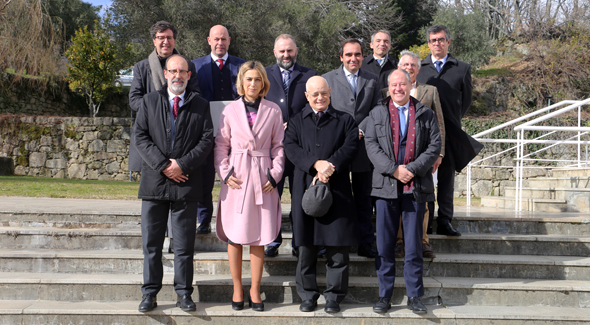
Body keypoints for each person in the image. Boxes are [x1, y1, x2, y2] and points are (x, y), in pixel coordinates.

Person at [135, 55, 213, 313]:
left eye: (183, 71)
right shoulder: (148, 101)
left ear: (189, 75)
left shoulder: (201, 105)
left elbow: (206, 140)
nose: (178, 75)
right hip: (154, 184)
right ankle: (149, 294)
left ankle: (183, 294)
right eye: (173, 71)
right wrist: (165, 166)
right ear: (165, 74)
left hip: (186, 183)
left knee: (184, 246)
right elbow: (141, 137)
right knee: (152, 245)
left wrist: (182, 165)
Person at [364, 69, 441, 315]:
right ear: (388, 87)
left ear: (411, 85)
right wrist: (394, 170)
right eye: (394, 84)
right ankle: (384, 296)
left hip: (415, 188)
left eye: (403, 84)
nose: (398, 88)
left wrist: (412, 169)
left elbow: (434, 145)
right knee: (385, 245)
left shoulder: (425, 113)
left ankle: (414, 296)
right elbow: (371, 146)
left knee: (413, 246)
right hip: (386, 187)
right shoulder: (376, 113)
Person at [284, 76, 359, 314]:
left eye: (323, 94)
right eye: (314, 94)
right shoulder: (296, 121)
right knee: (306, 247)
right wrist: (315, 164)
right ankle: (307, 295)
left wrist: (329, 166)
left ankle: (334, 297)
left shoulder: (345, 120)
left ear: (330, 94)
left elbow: (350, 147)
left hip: (337, 189)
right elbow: (290, 147)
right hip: (305, 186)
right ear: (307, 96)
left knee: (337, 248)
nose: (319, 98)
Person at [214, 61, 285, 312]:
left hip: (263, 179)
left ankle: (255, 288)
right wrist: (225, 172)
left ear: (263, 82)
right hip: (237, 177)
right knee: (235, 236)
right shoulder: (229, 110)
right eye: (248, 79)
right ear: (241, 82)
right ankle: (237, 288)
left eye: (257, 79)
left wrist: (274, 174)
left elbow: (278, 147)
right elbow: (221, 144)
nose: (252, 84)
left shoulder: (274, 110)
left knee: (259, 236)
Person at [323, 38, 381, 258]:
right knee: (335, 196)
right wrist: (345, 132)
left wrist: (361, 129)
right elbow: (324, 108)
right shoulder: (328, 78)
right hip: (337, 147)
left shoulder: (372, 80)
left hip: (364, 148)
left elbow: (376, 109)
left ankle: (365, 242)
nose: (353, 58)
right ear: (341, 57)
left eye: (357, 54)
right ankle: (331, 241)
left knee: (363, 198)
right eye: (348, 55)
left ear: (362, 56)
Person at [416, 25, 474, 237]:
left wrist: (453, 118)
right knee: (425, 176)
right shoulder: (419, 67)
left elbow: (466, 100)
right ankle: (427, 220)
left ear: (448, 42)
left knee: (447, 176)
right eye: (433, 40)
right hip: (423, 131)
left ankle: (445, 220)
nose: (437, 43)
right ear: (428, 44)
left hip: (450, 131)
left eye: (441, 40)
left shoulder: (462, 68)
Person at [264, 34, 317, 258]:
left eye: (290, 51)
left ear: (297, 51)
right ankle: (271, 240)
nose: (286, 55)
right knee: (271, 196)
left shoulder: (310, 75)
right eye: (282, 51)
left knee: (298, 197)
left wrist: (293, 126)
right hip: (270, 148)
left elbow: (314, 105)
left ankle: (299, 242)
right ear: (275, 52)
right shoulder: (263, 74)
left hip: (299, 148)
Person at [389, 50, 446, 259]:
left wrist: (439, 153)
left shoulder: (430, 91)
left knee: (424, 199)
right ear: (399, 67)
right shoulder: (391, 91)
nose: (409, 68)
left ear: (418, 69)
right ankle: (399, 241)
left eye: (413, 65)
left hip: (424, 158)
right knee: (397, 199)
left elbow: (440, 123)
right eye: (405, 64)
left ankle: (423, 241)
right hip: (397, 158)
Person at [191, 25, 246, 235]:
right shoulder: (195, 67)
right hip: (204, 133)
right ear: (208, 40)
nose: (220, 43)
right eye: (216, 39)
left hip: (235, 136)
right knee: (204, 179)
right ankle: (203, 220)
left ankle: (236, 220)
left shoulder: (242, 67)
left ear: (229, 40)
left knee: (236, 177)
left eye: (223, 39)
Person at [129, 21, 200, 172]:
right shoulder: (141, 67)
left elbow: (195, 96)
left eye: (169, 37)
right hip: (151, 135)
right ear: (154, 40)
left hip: (181, 133)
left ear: (174, 40)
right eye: (161, 37)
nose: (165, 42)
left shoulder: (188, 66)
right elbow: (134, 100)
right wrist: (159, 108)